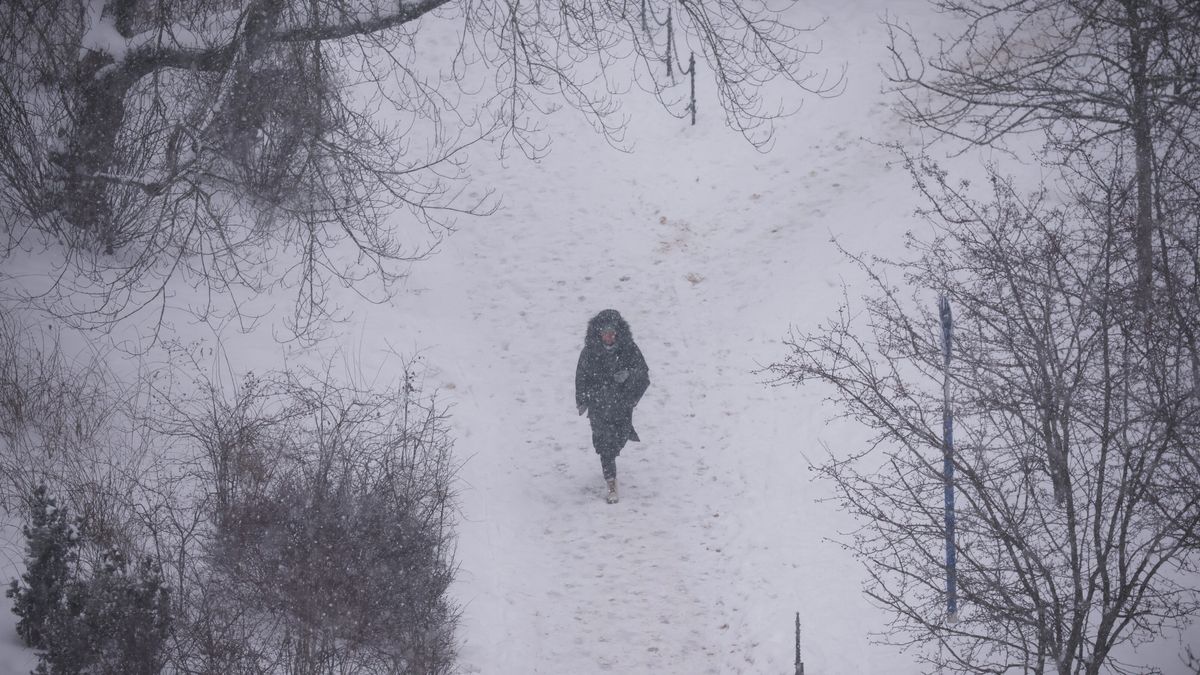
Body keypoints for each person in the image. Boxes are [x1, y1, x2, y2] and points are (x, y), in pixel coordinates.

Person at [575, 309, 650, 504]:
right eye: (604, 333)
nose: (608, 337)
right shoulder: (589, 352)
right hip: (598, 406)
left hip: (621, 406)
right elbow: (581, 376)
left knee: (618, 439)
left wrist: (629, 378)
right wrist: (583, 399)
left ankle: (612, 458)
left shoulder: (629, 349)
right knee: (604, 445)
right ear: (598, 334)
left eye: (612, 333)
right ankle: (611, 482)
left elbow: (643, 374)